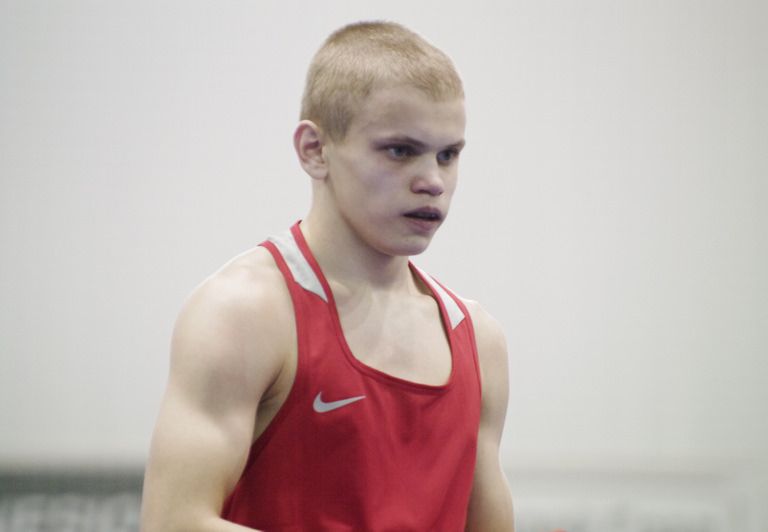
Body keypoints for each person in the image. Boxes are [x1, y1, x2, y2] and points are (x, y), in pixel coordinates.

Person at [140, 20, 514, 531]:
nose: (432, 181)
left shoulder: (480, 341)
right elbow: (172, 522)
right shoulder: (244, 314)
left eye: (448, 155)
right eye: (401, 151)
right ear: (314, 150)